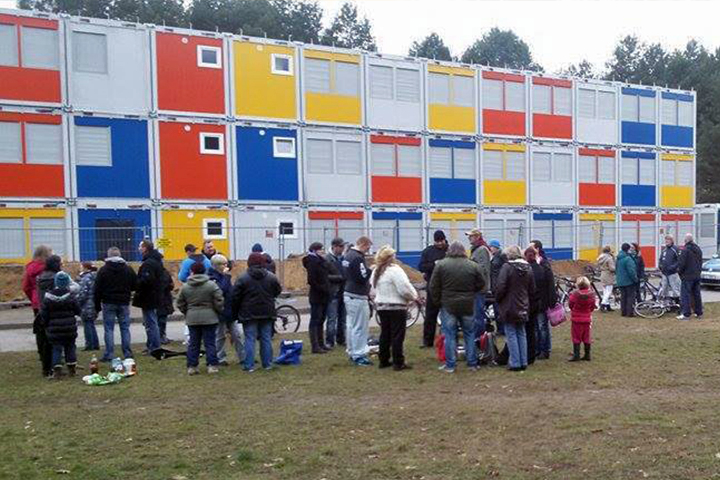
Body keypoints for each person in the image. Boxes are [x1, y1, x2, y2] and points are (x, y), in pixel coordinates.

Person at [429, 241, 485, 373]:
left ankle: (450, 364)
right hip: (467, 304)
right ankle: (472, 363)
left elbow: (433, 286)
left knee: (449, 335)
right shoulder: (473, 265)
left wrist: (438, 301)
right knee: (469, 334)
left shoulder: (441, 265)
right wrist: (471, 291)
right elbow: (481, 283)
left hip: (448, 304)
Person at [232, 252, 282, 372]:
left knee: (249, 339)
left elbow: (236, 296)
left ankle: (249, 365)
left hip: (248, 312)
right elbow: (277, 291)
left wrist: (236, 310)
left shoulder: (242, 278)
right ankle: (267, 364)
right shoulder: (271, 277)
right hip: (267, 311)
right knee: (266, 338)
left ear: (249, 263)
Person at [370, 246, 417, 371]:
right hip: (396, 307)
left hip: (382, 306)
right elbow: (404, 288)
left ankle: (383, 360)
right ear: (391, 257)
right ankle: (398, 362)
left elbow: (372, 289)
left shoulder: (376, 271)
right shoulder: (395, 270)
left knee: (385, 334)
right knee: (397, 335)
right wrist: (413, 297)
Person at [176, 262, 224, 375]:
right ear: (204, 271)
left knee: (193, 343)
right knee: (210, 342)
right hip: (210, 317)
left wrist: (187, 311)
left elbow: (179, 302)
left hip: (192, 317)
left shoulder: (186, 286)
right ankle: (212, 365)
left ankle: (192, 366)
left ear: (192, 272)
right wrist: (217, 310)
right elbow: (219, 300)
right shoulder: (211, 285)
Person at [495, 245, 536, 372]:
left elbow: (501, 286)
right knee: (521, 333)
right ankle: (523, 361)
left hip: (509, 305)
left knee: (511, 333)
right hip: (523, 304)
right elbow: (532, 289)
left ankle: (515, 362)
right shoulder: (528, 268)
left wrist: (498, 298)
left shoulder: (507, 267)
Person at [94, 247, 138, 361]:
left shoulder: (103, 270)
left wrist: (97, 304)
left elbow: (97, 289)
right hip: (123, 301)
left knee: (109, 328)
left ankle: (109, 353)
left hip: (108, 302)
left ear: (108, 256)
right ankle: (127, 353)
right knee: (125, 328)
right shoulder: (128, 269)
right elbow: (135, 285)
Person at [40, 272, 81, 380]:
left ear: (55, 283)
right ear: (67, 282)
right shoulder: (71, 296)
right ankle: (72, 369)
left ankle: (57, 371)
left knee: (56, 349)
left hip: (54, 328)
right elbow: (78, 310)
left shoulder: (48, 298)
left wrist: (46, 324)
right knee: (70, 347)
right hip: (69, 327)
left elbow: (44, 314)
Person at [343, 236, 374, 366]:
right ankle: (359, 354)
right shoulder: (357, 257)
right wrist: (371, 269)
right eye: (367, 247)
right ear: (362, 244)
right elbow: (363, 276)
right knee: (360, 327)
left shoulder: (347, 255)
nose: (367, 250)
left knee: (350, 325)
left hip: (348, 292)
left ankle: (351, 350)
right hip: (358, 295)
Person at [22, 245, 53, 377]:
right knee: (50, 331)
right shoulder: (49, 269)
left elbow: (26, 287)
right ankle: (52, 360)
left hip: (37, 303)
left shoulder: (29, 268)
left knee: (40, 332)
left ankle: (42, 356)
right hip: (49, 301)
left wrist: (33, 299)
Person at [209, 254, 244, 365]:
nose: (226, 266)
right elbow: (221, 290)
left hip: (230, 310)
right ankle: (220, 358)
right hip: (220, 311)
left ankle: (243, 357)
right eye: (224, 264)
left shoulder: (224, 276)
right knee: (220, 336)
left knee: (237, 335)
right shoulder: (212, 277)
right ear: (217, 265)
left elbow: (229, 290)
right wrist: (226, 277)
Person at [133, 240, 164, 355]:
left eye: (140, 246)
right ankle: (151, 344)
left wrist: (137, 283)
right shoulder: (156, 261)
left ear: (145, 248)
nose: (139, 248)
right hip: (154, 295)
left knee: (150, 322)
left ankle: (154, 346)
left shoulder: (149, 263)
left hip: (148, 296)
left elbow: (147, 280)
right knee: (150, 322)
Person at [418, 230, 447, 348]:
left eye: (441, 241)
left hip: (447, 287)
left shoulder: (450, 250)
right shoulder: (428, 251)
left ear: (445, 239)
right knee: (430, 315)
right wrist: (434, 264)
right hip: (432, 288)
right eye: (437, 241)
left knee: (448, 316)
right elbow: (421, 267)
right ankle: (427, 341)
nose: (439, 243)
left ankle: (448, 340)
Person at [526, 246, 555, 361]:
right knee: (542, 326)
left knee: (539, 327)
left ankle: (541, 349)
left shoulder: (531, 269)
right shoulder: (542, 268)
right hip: (542, 301)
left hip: (535, 302)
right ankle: (544, 349)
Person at [303, 242, 332, 354]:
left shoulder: (321, 261)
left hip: (324, 295)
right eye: (320, 250)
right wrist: (322, 288)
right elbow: (311, 280)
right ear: (314, 250)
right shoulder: (312, 262)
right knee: (315, 320)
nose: (322, 251)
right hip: (317, 295)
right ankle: (315, 346)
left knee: (321, 320)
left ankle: (321, 343)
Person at [467, 228, 491, 335]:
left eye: (471, 236)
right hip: (475, 287)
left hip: (479, 288)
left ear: (477, 237)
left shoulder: (481, 250)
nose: (469, 238)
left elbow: (483, 269)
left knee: (478, 315)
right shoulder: (476, 249)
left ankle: (479, 338)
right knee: (475, 314)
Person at [568, 276, 596, 362]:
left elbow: (570, 304)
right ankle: (587, 354)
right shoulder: (591, 295)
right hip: (587, 318)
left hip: (576, 318)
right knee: (586, 336)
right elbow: (592, 306)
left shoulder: (575, 295)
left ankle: (576, 355)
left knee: (576, 337)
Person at [325, 237, 347, 348]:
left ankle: (341, 339)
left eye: (343, 246)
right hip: (333, 293)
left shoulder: (344, 259)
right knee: (332, 319)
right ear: (334, 246)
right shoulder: (327, 259)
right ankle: (329, 341)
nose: (343, 249)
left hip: (344, 292)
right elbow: (324, 276)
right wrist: (339, 278)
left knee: (343, 319)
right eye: (341, 246)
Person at [677, 233, 703, 320]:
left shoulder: (685, 250)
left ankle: (686, 314)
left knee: (686, 295)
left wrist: (679, 272)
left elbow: (682, 263)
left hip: (687, 276)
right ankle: (699, 313)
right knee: (696, 294)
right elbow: (700, 262)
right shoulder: (698, 249)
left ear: (686, 240)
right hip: (697, 275)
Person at [76, 261, 100, 351]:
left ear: (85, 268)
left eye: (81, 266)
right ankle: (95, 344)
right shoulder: (94, 277)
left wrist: (78, 303)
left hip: (86, 305)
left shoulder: (85, 278)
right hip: (93, 304)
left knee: (87, 325)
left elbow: (83, 293)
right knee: (91, 324)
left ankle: (89, 345)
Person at [488, 239, 507, 335]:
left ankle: (502, 329)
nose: (490, 248)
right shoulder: (495, 257)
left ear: (495, 247)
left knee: (499, 308)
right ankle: (500, 328)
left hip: (498, 285)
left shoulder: (501, 256)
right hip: (495, 285)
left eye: (491, 246)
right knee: (496, 309)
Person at [616, 243, 638, 317]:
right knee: (630, 297)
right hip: (628, 281)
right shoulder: (628, 259)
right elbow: (631, 271)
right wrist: (635, 279)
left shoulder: (618, 258)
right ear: (628, 249)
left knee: (623, 297)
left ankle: (623, 312)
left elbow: (616, 269)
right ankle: (629, 313)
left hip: (620, 281)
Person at [659, 235, 681, 301]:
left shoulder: (675, 249)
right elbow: (661, 259)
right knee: (664, 289)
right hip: (664, 273)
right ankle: (666, 302)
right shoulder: (664, 250)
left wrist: (673, 267)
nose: (666, 241)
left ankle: (678, 303)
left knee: (675, 288)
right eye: (666, 240)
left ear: (671, 241)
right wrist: (660, 265)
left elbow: (679, 260)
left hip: (673, 273)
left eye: (668, 240)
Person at [156, 265, 175, 344]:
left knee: (158, 319)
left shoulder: (154, 271)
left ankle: (159, 337)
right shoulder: (165, 272)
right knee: (162, 320)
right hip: (164, 299)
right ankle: (161, 336)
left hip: (159, 299)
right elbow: (170, 285)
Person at [596, 246, 616, 312]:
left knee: (605, 291)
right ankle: (603, 305)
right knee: (609, 291)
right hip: (608, 274)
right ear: (609, 251)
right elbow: (612, 268)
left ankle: (608, 306)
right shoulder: (609, 258)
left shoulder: (600, 258)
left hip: (603, 274)